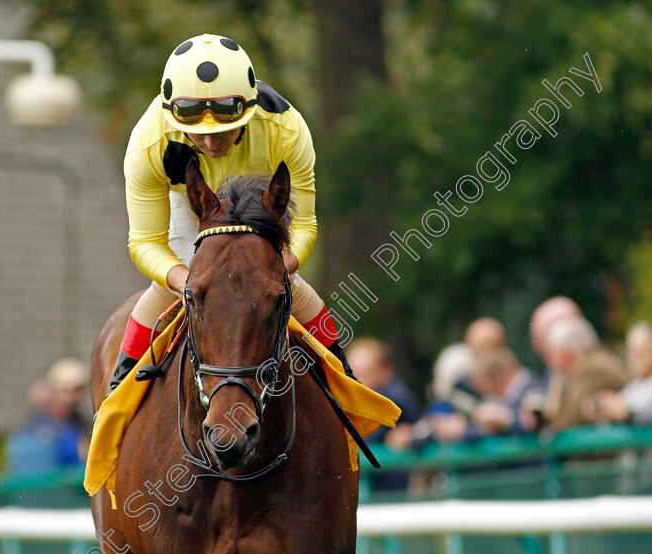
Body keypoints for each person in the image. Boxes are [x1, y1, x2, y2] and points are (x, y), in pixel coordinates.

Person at [109, 33, 352, 393]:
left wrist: (276, 269)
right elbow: (145, 241)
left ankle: (346, 388)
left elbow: (304, 225)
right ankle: (118, 395)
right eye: (196, 134)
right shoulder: (148, 141)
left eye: (223, 130)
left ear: (248, 112)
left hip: (257, 206)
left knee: (292, 287)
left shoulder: (286, 128)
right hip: (191, 201)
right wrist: (183, 280)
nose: (210, 143)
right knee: (169, 288)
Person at [346, 338, 420, 491]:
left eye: (365, 373)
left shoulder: (394, 399)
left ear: (385, 371)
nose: (356, 380)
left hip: (390, 491)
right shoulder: (361, 399)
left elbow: (363, 438)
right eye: (350, 372)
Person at [541, 315, 628, 430]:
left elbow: (572, 418)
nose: (550, 362)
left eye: (552, 355)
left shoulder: (590, 369)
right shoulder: (593, 361)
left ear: (566, 354)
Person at [582, 323, 652, 425]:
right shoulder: (637, 383)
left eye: (641, 352)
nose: (634, 358)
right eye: (631, 352)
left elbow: (640, 415)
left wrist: (618, 409)